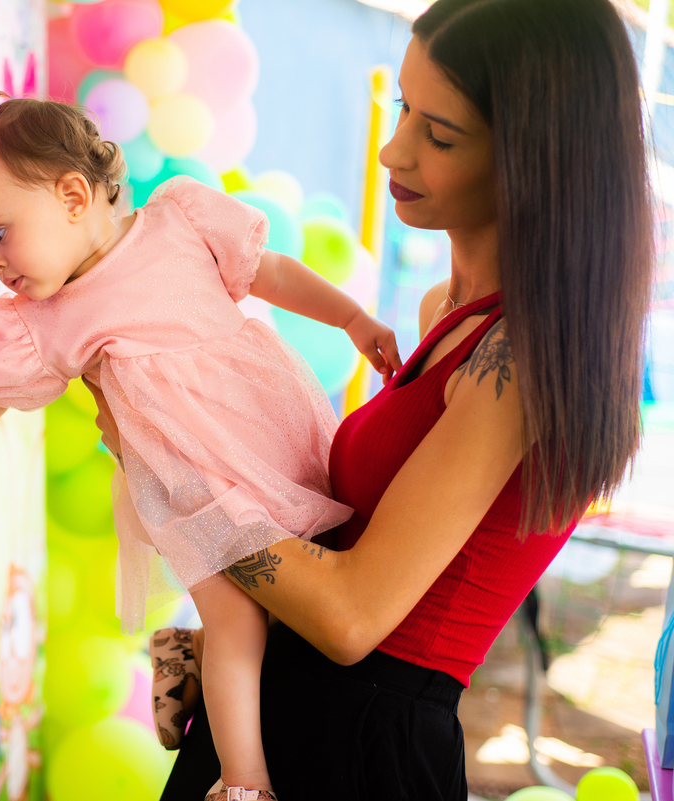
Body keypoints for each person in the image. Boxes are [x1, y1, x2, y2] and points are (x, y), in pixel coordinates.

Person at [85, 0, 654, 798]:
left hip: (359, 744)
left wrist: (174, 469)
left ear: (535, 157)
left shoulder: (520, 359)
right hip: (291, 709)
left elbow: (352, 617)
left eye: (440, 135)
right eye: (404, 110)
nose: (394, 150)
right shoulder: (442, 316)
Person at [0, 91, 402, 800]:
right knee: (238, 615)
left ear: (73, 195)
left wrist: (351, 317)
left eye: (0, 233)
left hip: (272, 430)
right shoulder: (46, 319)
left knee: (313, 571)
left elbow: (270, 271)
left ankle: (183, 660)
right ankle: (243, 780)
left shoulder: (181, 218)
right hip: (195, 481)